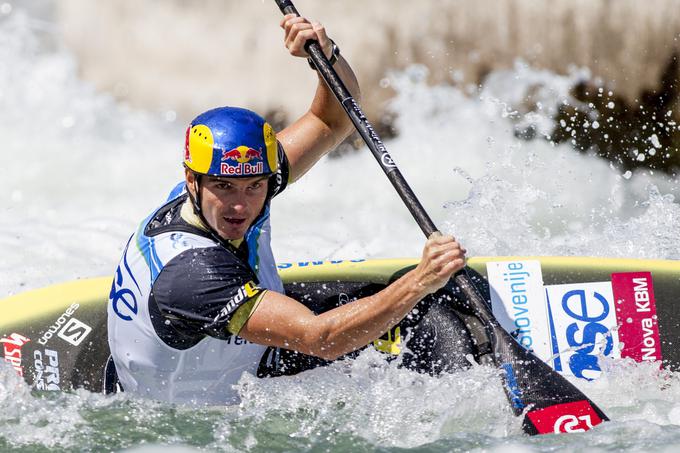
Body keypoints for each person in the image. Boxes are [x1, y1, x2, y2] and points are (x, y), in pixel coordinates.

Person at [107, 14, 467, 405]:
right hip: (198, 412)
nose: (241, 205)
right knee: (422, 317)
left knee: (396, 301)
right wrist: (420, 281)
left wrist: (325, 57)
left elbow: (331, 121)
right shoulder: (194, 276)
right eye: (224, 187)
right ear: (192, 181)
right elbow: (320, 339)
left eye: (254, 185)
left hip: (228, 356)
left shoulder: (230, 182)